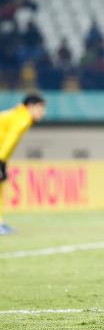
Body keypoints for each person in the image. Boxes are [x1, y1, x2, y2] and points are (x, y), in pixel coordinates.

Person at [0, 94, 46, 234]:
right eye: (40, 108)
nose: (42, 113)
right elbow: (10, 140)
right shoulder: (23, 118)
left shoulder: (16, 114)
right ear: (30, 106)